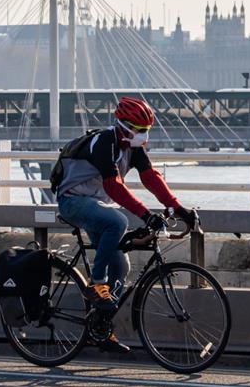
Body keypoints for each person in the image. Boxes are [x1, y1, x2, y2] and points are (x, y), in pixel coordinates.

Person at [54, 96, 196, 352]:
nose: (144, 135)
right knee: (117, 221)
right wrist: (145, 214)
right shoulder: (104, 142)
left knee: (121, 266)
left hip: (97, 204)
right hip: (72, 201)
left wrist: (177, 207)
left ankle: (100, 328)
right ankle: (97, 284)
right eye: (140, 130)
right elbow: (113, 186)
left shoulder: (133, 147)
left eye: (147, 130)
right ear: (124, 126)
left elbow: (150, 178)